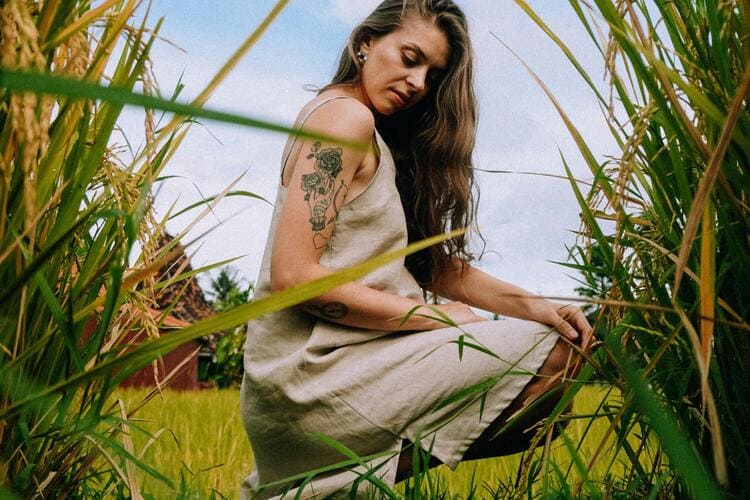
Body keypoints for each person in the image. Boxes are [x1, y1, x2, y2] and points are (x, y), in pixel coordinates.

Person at [240, 1, 593, 498]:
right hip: (310, 376)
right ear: (366, 42)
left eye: (433, 73)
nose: (419, 83)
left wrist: (536, 305)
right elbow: (295, 278)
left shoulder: (372, 136)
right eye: (410, 57)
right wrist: (441, 320)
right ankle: (325, 491)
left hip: (326, 374)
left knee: (555, 369)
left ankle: (328, 488)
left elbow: (433, 268)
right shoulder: (345, 119)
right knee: (553, 355)